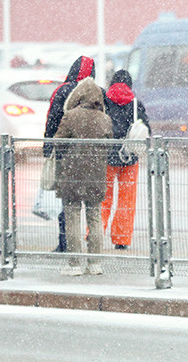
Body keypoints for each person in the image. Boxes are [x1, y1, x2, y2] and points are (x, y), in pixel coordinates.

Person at [52, 77, 112, 276]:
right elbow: (109, 145)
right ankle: (95, 263)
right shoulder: (105, 119)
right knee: (95, 218)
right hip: (96, 174)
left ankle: (74, 264)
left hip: (72, 173)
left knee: (73, 218)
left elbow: (58, 142)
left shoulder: (70, 116)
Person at [45, 56, 96, 253]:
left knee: (68, 203)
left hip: (66, 153)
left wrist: (49, 146)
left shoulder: (62, 90)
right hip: (91, 155)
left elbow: (52, 119)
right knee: (93, 207)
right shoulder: (96, 91)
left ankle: (66, 244)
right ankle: (93, 249)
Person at [101, 69, 150, 250]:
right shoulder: (136, 104)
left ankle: (96, 233)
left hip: (107, 156)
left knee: (103, 198)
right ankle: (121, 238)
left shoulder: (105, 101)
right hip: (130, 157)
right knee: (126, 200)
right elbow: (146, 131)